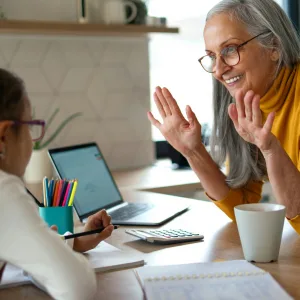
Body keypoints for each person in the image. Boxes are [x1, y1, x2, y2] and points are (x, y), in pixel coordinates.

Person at [148, 0, 300, 234]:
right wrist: (193, 151)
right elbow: (243, 207)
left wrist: (271, 151)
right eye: (211, 56)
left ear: (274, 47)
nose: (218, 71)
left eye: (230, 50)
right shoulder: (248, 102)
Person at [0, 68, 114, 299]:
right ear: (4, 136)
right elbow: (78, 287)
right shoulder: (4, 190)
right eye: (29, 127)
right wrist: (55, 252)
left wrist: (69, 242)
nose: (32, 143)